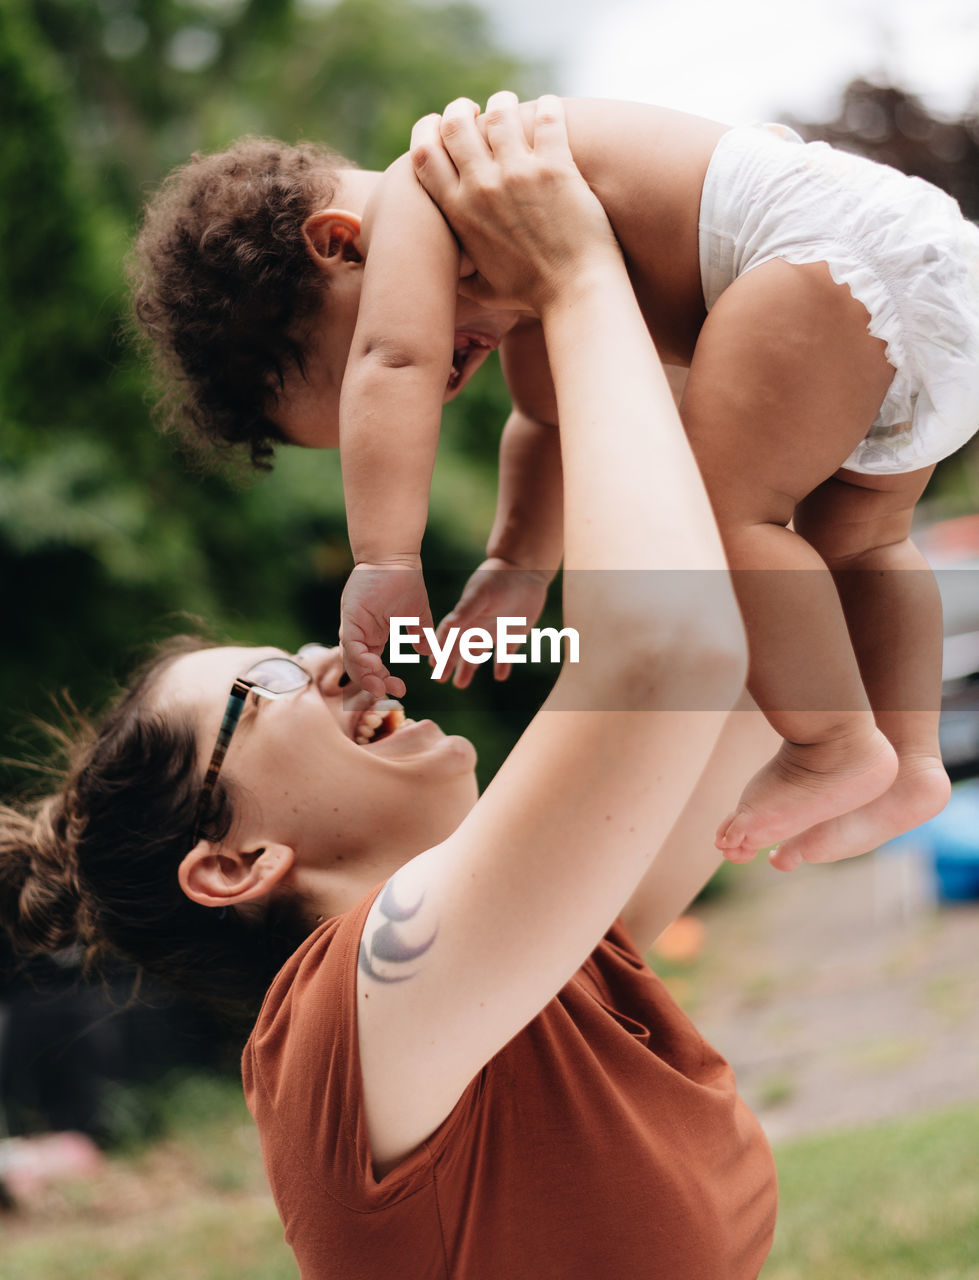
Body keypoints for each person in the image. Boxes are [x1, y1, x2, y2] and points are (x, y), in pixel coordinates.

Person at [3, 96, 778, 1277]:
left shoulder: (528, 964)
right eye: (264, 684)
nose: (319, 657)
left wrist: (694, 279)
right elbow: (672, 654)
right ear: (231, 864)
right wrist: (569, 278)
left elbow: (752, 657)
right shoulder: (344, 1020)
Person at [130, 93, 979, 874]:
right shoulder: (507, 256)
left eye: (422, 374)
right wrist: (515, 566)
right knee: (861, 544)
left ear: (338, 245)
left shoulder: (424, 190)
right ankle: (909, 763)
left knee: (720, 522)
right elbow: (546, 424)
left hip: (824, 262)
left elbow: (396, 357)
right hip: (920, 273)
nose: (443, 378)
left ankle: (831, 743)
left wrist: (384, 556)